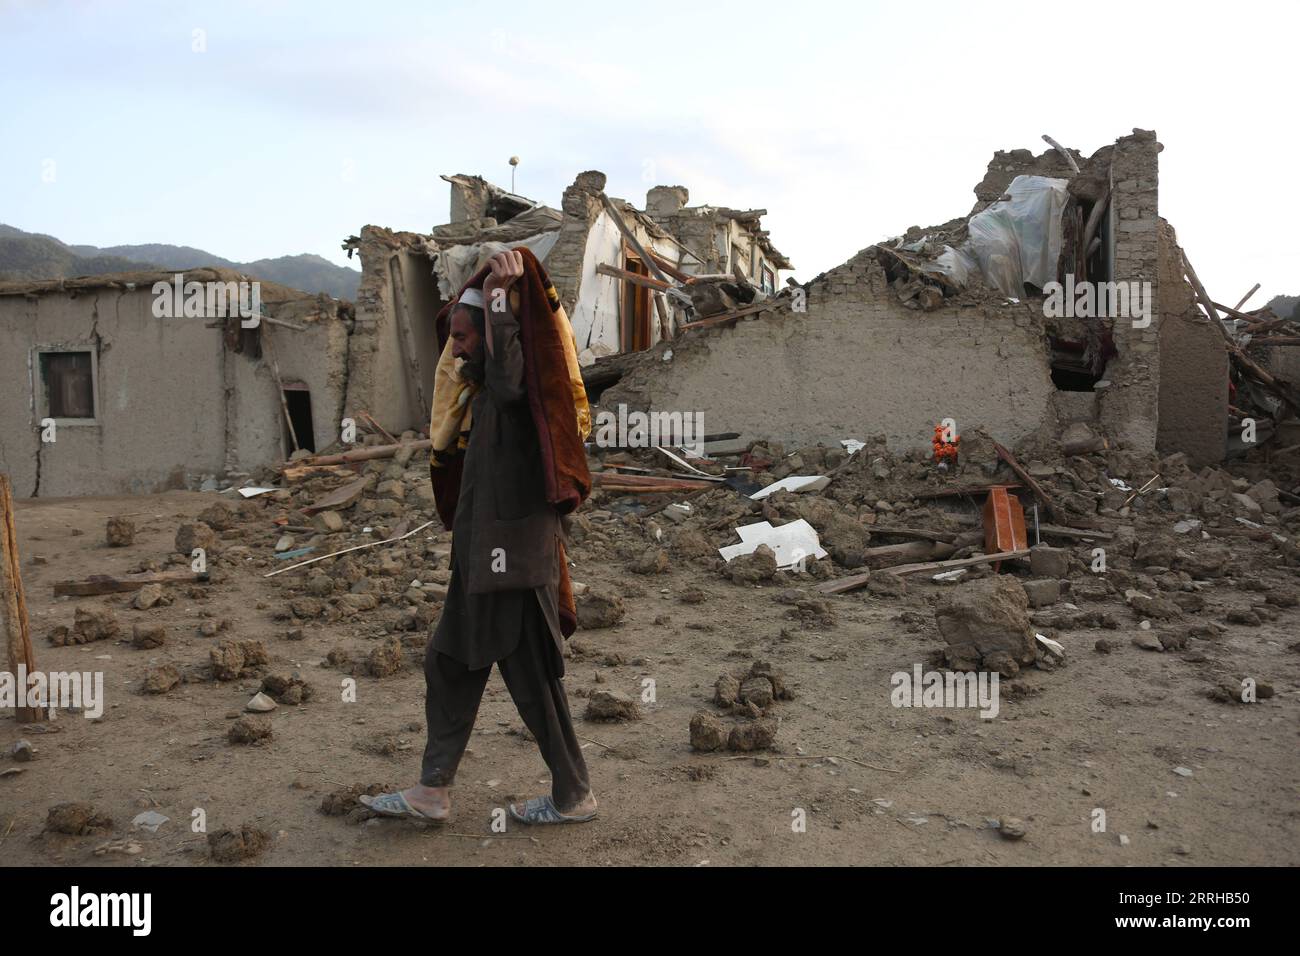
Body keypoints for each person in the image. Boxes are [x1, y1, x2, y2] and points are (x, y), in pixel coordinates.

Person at [362, 250, 597, 826]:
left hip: (510, 558)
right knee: (458, 664)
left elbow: (512, 376)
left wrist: (499, 295)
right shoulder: (485, 401)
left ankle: (569, 795)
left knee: (521, 676)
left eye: (466, 338)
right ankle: (436, 790)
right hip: (491, 557)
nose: (458, 348)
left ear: (495, 336)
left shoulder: (515, 392)